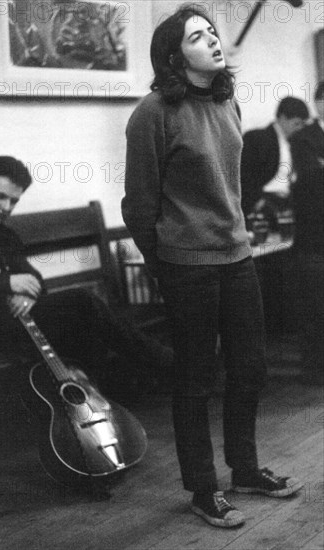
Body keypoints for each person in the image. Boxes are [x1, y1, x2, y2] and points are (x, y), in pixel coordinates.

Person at [122, 4, 303, 529]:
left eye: (212, 33)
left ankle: (244, 471)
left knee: (250, 368)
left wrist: (238, 231)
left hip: (237, 257)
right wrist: (167, 261)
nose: (213, 42)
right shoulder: (152, 114)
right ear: (175, 56)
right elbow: (138, 205)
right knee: (196, 379)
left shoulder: (228, 103)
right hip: (188, 266)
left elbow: (231, 185)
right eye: (198, 37)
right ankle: (204, 489)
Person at [0, 155, 172, 401]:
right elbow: (14, 279)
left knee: (84, 326)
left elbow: (35, 279)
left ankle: (96, 410)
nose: (7, 208)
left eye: (14, 201)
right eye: (0, 197)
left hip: (21, 321)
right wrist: (7, 284)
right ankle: (166, 365)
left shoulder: (4, 235)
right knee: (82, 301)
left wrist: (26, 292)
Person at [290, 81, 324, 385]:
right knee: (315, 303)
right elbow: (311, 178)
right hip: (315, 233)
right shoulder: (303, 138)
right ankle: (315, 371)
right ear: (319, 103)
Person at [241, 96, 309, 223]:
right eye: (296, 123)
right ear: (282, 119)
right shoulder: (256, 139)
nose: (300, 128)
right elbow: (245, 177)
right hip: (263, 202)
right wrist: (259, 202)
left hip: (289, 202)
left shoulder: (298, 143)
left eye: (302, 125)